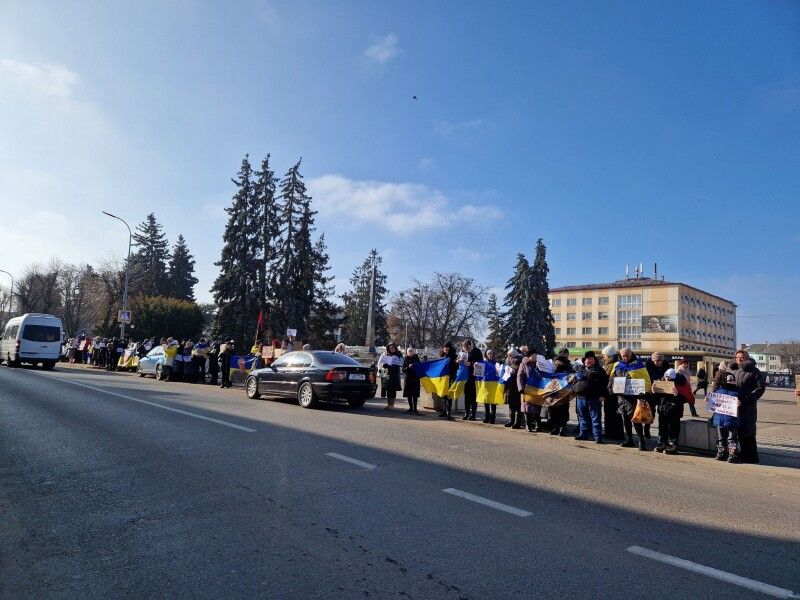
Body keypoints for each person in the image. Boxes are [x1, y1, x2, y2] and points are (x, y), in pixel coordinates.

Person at [608, 347, 652, 450]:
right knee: (625, 419)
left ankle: (641, 441)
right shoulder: (617, 365)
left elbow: (645, 380)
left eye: (627, 356)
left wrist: (642, 395)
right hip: (622, 397)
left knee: (636, 419)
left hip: (634, 397)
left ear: (631, 354)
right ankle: (629, 440)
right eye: (623, 356)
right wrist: (611, 388)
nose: (625, 358)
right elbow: (611, 378)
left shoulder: (638, 364)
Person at [731, 349, 765, 464]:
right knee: (739, 431)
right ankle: (744, 454)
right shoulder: (734, 370)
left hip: (748, 406)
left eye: (741, 357)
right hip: (735, 406)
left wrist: (748, 397)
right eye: (737, 357)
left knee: (749, 431)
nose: (738, 359)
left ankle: (753, 456)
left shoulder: (754, 371)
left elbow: (760, 388)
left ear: (746, 357)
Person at [573, 351, 609, 443]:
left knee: (595, 418)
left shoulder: (599, 370)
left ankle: (597, 437)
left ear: (594, 360)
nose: (589, 360)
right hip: (580, 397)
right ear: (584, 361)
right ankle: (583, 434)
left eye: (591, 359)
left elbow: (605, 384)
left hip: (594, 398)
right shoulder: (580, 369)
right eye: (587, 359)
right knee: (582, 417)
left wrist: (603, 395)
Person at [654, 368, 689, 455]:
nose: (668, 380)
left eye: (670, 379)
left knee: (673, 429)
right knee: (662, 427)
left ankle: (673, 446)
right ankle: (662, 443)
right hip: (663, 409)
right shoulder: (661, 382)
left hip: (674, 411)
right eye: (666, 378)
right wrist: (654, 391)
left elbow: (686, 398)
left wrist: (677, 394)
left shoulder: (681, 384)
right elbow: (657, 398)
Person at [547, 348, 574, 436]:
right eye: (556, 361)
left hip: (564, 393)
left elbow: (572, 376)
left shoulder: (568, 367)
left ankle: (562, 428)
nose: (557, 363)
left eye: (558, 361)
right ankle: (555, 427)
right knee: (554, 410)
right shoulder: (552, 367)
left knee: (563, 410)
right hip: (553, 392)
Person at [644, 352, 669, 439]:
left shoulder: (666, 366)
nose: (659, 362)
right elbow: (645, 380)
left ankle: (661, 433)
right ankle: (647, 428)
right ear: (653, 360)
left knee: (662, 413)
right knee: (651, 413)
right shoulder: (647, 367)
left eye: (660, 360)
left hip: (662, 393)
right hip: (651, 394)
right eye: (657, 361)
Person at [601, 345, 623, 439]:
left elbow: (618, 379)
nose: (603, 357)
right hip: (609, 393)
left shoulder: (616, 364)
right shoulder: (608, 364)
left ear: (608, 355)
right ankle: (610, 433)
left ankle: (615, 434)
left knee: (614, 415)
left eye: (604, 355)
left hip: (613, 394)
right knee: (610, 414)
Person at [459, 339, 484, 421]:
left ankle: (473, 414)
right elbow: (458, 360)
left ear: (470, 346)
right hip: (465, 376)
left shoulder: (477, 351)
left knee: (473, 396)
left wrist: (471, 363)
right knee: (466, 395)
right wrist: (459, 360)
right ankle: (466, 413)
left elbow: (481, 364)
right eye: (464, 348)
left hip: (474, 376)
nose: (465, 349)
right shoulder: (463, 352)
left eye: (467, 348)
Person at [518, 349, 541, 432]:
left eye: (536, 356)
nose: (535, 357)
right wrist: (521, 388)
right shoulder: (523, 364)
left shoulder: (539, 365)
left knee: (537, 407)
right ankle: (528, 425)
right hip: (527, 389)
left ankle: (538, 425)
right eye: (533, 356)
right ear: (529, 356)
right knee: (527, 407)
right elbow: (519, 376)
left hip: (537, 389)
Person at [377, 342, 403, 410]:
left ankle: (392, 405)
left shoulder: (398, 354)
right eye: (390, 347)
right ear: (388, 348)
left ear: (395, 348)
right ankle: (388, 405)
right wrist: (382, 367)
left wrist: (392, 366)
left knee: (393, 390)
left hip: (394, 374)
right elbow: (380, 362)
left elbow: (401, 363)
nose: (392, 349)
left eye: (393, 347)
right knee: (388, 389)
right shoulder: (385, 354)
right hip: (386, 373)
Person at [438, 342, 458, 420]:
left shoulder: (454, 356)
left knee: (449, 395)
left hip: (451, 377)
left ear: (450, 348)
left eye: (447, 347)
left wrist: (453, 363)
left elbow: (456, 366)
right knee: (444, 394)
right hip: (444, 377)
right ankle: (444, 411)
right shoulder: (443, 355)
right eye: (444, 347)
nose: (445, 349)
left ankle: (448, 412)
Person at [479, 348, 499, 424]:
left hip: (494, 384)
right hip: (486, 384)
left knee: (493, 402)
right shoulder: (483, 363)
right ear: (486, 355)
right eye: (488, 354)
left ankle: (493, 418)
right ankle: (487, 417)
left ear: (493, 354)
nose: (490, 355)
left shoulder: (497, 363)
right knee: (486, 401)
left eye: (491, 353)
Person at [402, 347, 421, 414]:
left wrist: (415, 366)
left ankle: (415, 409)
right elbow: (403, 370)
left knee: (415, 394)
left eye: (411, 351)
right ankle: (410, 408)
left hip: (415, 379)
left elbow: (420, 368)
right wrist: (408, 367)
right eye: (409, 351)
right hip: (408, 379)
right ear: (407, 352)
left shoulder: (417, 358)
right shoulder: (405, 359)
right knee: (409, 394)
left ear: (414, 352)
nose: (410, 352)